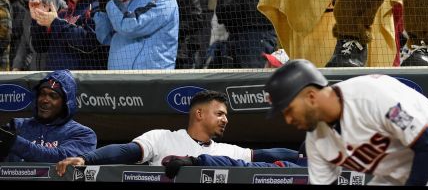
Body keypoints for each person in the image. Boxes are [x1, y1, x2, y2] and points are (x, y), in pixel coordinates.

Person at [264, 59, 428, 186]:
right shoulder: (316, 140)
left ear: (311, 96)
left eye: (289, 110)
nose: (288, 119)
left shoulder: (372, 96)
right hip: (396, 175)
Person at [55, 90, 299, 174]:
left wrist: (302, 155)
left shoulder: (227, 151)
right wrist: (87, 158)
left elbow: (266, 155)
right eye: (220, 113)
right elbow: (126, 151)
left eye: (226, 115)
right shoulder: (163, 137)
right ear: (199, 113)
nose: (226, 119)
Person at [0, 69, 96, 162]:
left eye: (53, 96)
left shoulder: (83, 134)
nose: (45, 100)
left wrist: (14, 142)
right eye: (42, 94)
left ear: (65, 103)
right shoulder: (17, 125)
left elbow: (59, 157)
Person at [28, 0, 108, 70]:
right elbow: (40, 47)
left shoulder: (100, 10)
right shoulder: (63, 13)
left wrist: (55, 23)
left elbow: (89, 43)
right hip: (56, 77)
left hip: (83, 79)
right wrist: (39, 19)